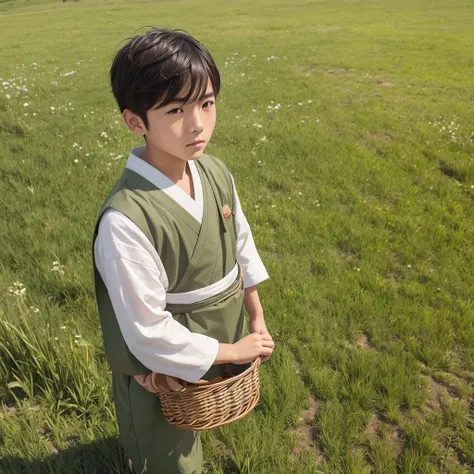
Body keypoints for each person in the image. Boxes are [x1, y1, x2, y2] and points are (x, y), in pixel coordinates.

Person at [92, 27, 275, 473]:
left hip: (216, 340)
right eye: (175, 109)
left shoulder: (214, 172)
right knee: (167, 456)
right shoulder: (126, 221)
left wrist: (256, 316)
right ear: (135, 121)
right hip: (158, 366)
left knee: (195, 427)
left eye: (206, 103)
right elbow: (149, 332)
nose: (197, 124)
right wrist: (233, 352)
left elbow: (241, 247)